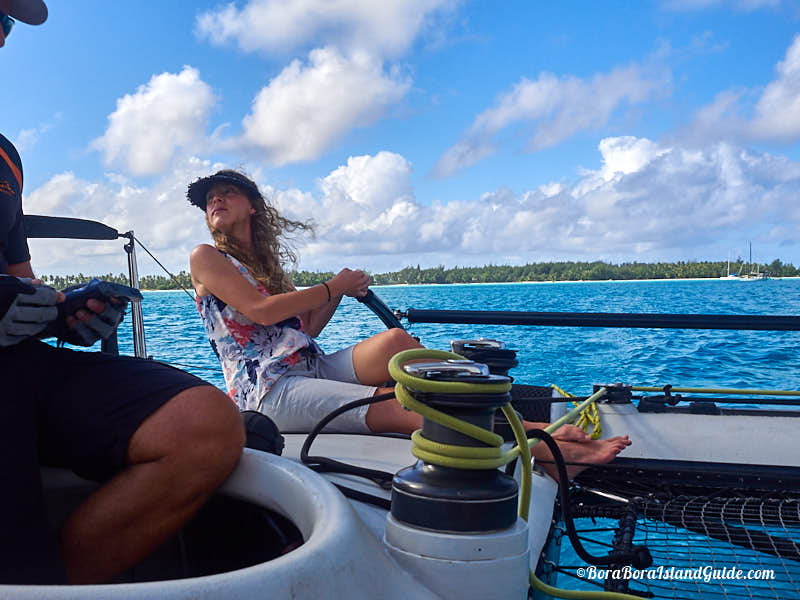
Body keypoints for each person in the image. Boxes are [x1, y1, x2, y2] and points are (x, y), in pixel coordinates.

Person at [0, 1, 244, 585]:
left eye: (4, 24)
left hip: (18, 364)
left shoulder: (6, 156)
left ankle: (60, 589)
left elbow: (19, 281)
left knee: (206, 425)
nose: (0, 40)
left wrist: (60, 314)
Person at [187, 170, 630, 478]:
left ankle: (482, 411)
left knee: (397, 341)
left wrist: (339, 292)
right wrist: (331, 284)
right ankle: (544, 443)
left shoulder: (261, 267)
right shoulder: (206, 259)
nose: (215, 201)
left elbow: (302, 331)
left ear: (253, 207)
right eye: (210, 199)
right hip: (269, 392)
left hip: (307, 367)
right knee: (396, 404)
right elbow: (261, 312)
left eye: (225, 193)